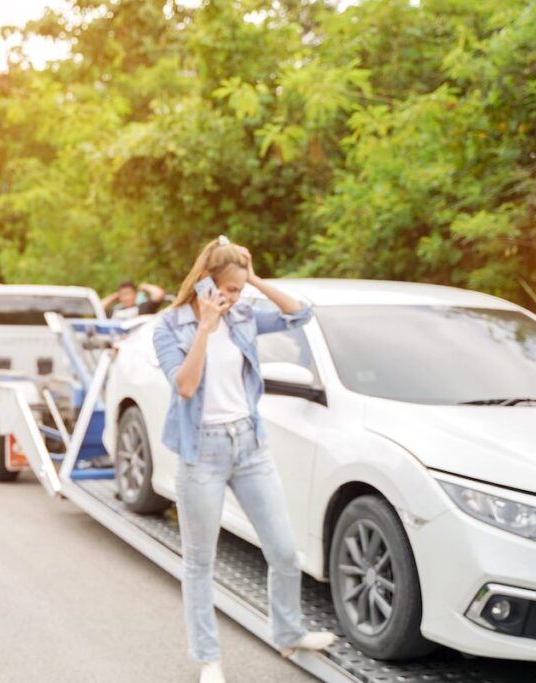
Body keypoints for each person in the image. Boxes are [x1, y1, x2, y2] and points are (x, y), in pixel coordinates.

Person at [153, 237, 334, 683]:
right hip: (203, 453)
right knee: (200, 561)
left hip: (249, 447)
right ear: (203, 283)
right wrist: (204, 329)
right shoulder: (170, 325)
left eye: (237, 291)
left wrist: (252, 278)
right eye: (226, 289)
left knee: (285, 551)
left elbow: (300, 315)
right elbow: (186, 387)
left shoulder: (246, 314)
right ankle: (209, 659)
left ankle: (289, 632)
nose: (232, 299)